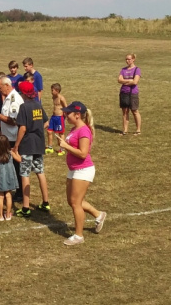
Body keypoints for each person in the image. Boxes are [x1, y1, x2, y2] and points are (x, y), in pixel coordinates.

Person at [57, 101, 106, 246]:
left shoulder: (83, 131)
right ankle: (98, 214)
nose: (65, 115)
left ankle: (79, 235)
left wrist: (66, 146)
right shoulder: (74, 129)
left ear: (77, 115)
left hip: (83, 170)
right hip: (74, 169)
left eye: (68, 113)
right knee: (72, 201)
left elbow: (83, 153)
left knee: (75, 203)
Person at [13, 81, 50, 218]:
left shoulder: (24, 107)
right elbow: (46, 122)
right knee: (40, 172)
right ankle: (45, 202)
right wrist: (38, 129)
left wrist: (17, 145)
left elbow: (22, 128)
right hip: (39, 144)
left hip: (27, 144)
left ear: (23, 93)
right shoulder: (38, 105)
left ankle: (26, 207)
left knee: (25, 174)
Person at [0, 135, 20, 221]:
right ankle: (8, 215)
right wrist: (17, 152)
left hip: (0, 176)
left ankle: (0, 216)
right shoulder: (10, 152)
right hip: (9, 176)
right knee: (8, 195)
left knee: (0, 196)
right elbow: (20, 160)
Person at [118, 53, 142, 135]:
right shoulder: (123, 69)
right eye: (126, 59)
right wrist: (129, 81)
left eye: (129, 59)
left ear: (133, 59)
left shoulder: (137, 69)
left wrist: (125, 81)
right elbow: (119, 80)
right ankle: (125, 130)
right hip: (124, 92)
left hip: (133, 93)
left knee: (134, 111)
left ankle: (138, 129)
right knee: (125, 112)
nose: (127, 61)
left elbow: (135, 82)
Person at [46, 83, 67, 155]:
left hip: (59, 118)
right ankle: (50, 147)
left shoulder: (61, 98)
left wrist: (64, 117)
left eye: (52, 90)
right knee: (49, 131)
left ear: (57, 91)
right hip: (53, 117)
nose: (51, 92)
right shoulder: (53, 97)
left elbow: (66, 108)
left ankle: (62, 149)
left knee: (60, 133)